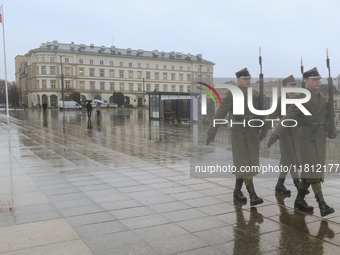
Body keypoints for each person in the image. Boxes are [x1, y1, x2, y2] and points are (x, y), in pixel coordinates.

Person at [268, 67, 337, 217]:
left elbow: (329, 117)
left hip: (319, 138)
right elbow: (288, 116)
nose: (318, 82)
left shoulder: (324, 98)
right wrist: (276, 133)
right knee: (312, 169)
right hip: (305, 138)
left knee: (310, 171)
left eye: (319, 79)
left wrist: (332, 130)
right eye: (315, 80)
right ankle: (322, 204)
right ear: (307, 82)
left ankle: (299, 200)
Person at [206, 68, 265, 206]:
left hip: (252, 131)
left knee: (247, 162)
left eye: (249, 79)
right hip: (239, 131)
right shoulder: (231, 94)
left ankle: (237, 191)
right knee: (243, 162)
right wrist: (211, 131)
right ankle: (253, 195)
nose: (248, 81)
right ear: (238, 80)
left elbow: (263, 112)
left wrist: (264, 128)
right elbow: (221, 112)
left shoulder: (255, 94)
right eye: (245, 79)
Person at [262, 75, 309, 195]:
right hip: (285, 134)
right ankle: (299, 186)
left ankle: (279, 185)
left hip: (297, 133)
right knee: (292, 159)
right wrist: (263, 132)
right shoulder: (281, 100)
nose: (294, 87)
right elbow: (271, 116)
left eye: (295, 85)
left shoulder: (299, 98)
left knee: (286, 161)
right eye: (291, 85)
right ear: (284, 87)